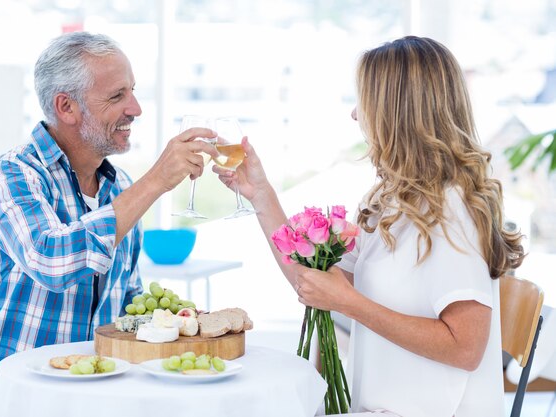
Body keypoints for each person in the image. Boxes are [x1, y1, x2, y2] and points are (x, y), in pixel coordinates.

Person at [214, 36, 524, 416]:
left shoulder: (453, 210)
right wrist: (261, 195)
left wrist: (351, 304)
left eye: (364, 102)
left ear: (396, 113)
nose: (356, 116)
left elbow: (466, 348)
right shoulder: (392, 201)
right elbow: (314, 282)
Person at [0, 31, 218, 417]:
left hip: (95, 392)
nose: (136, 108)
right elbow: (53, 262)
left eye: (132, 91)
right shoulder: (15, 174)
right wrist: (156, 181)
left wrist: (177, 322)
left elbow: (127, 300)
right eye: (117, 96)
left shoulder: (120, 188)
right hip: (13, 397)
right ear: (66, 107)